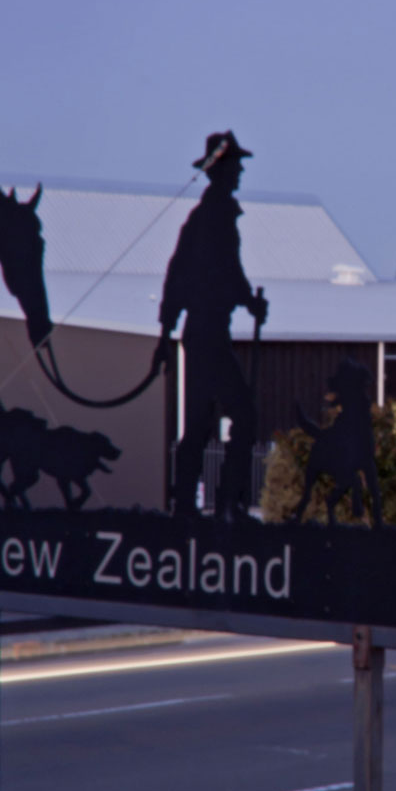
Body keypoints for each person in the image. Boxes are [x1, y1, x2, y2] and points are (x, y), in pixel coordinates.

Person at [155, 132, 268, 518]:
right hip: (206, 334)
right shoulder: (211, 218)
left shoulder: (213, 215)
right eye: (235, 166)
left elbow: (209, 273)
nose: (240, 173)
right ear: (220, 170)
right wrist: (248, 300)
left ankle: (205, 505)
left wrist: (247, 301)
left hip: (207, 332)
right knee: (238, 417)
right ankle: (222, 505)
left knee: (203, 424)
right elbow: (206, 273)